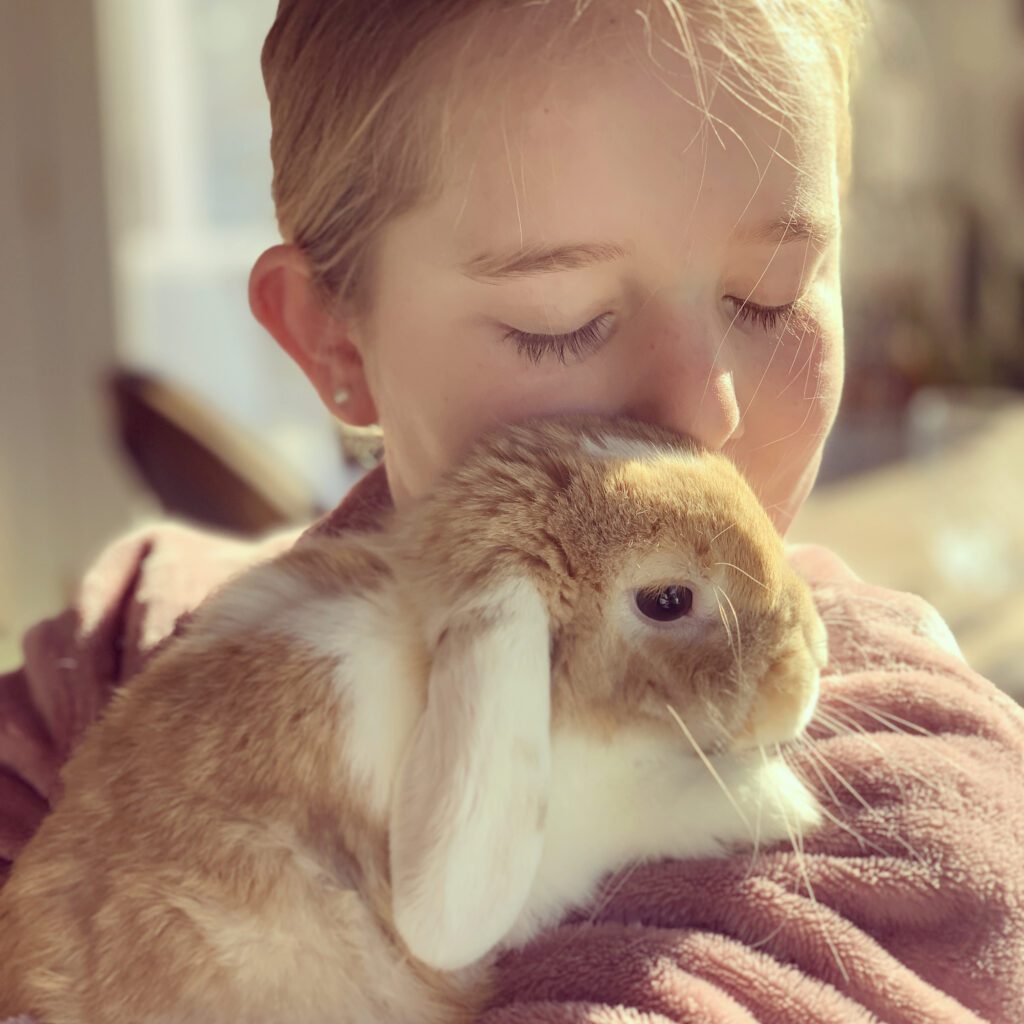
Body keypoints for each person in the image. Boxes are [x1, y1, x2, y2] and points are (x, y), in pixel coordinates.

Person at [2, 1, 1022, 1020]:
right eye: (560, 323)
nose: (703, 409)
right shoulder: (117, 656)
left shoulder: (910, 805)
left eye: (771, 292)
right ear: (336, 348)